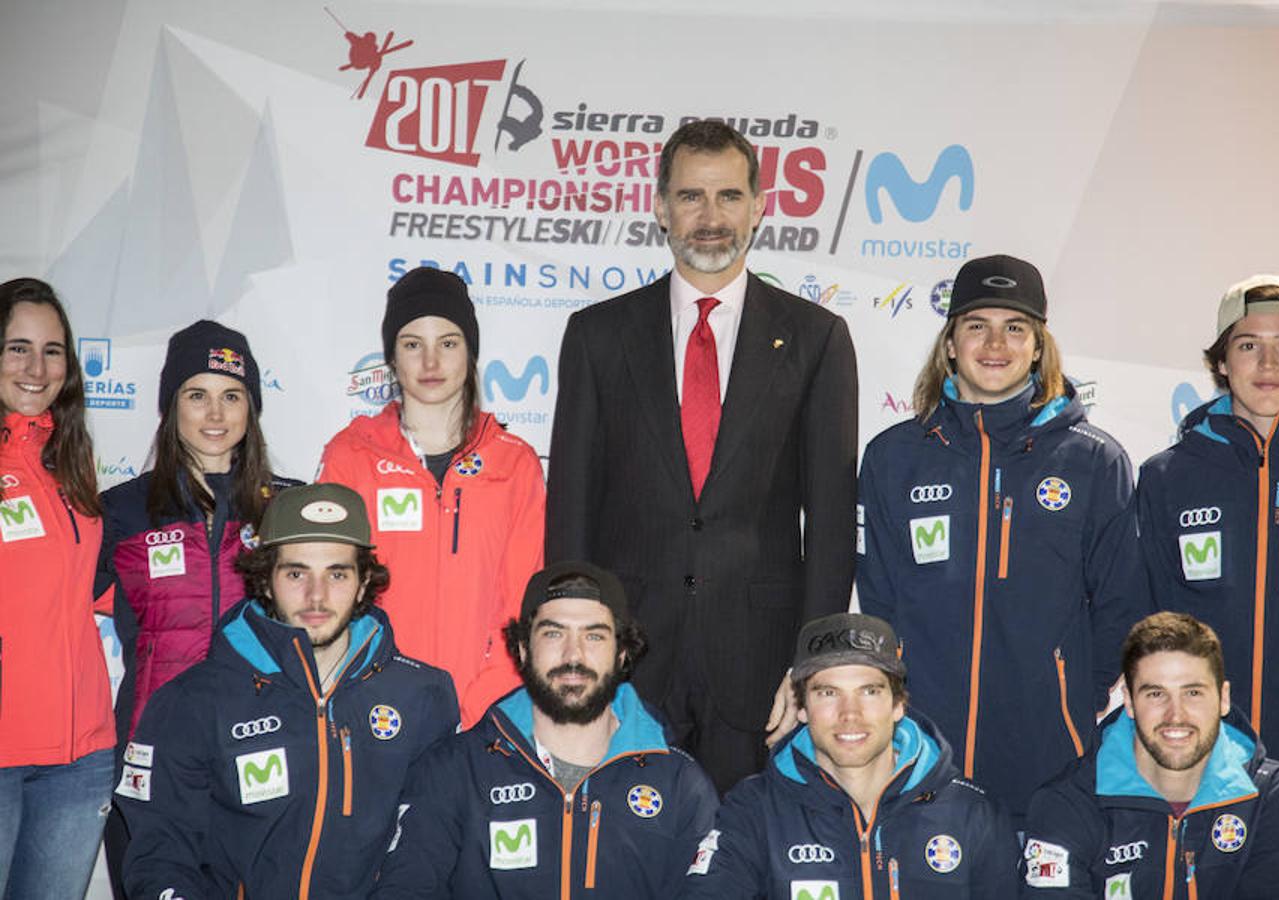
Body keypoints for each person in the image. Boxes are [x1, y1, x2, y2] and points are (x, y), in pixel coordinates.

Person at [546, 119, 858, 792]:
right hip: (628, 662)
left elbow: (832, 525)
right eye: (691, 196)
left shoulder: (816, 338)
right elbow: (569, 511)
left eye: (729, 197)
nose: (710, 217)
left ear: (759, 206)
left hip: (760, 669)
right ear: (660, 207)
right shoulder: (597, 336)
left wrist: (811, 666)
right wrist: (577, 656)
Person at [856, 254, 1148, 825]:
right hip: (923, 747)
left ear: (1039, 346)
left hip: (1047, 751)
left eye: (1015, 328)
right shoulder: (893, 456)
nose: (996, 344)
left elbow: (1120, 602)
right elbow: (880, 599)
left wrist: (1072, 702)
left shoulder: (1093, 459)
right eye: (976, 326)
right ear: (949, 344)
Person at [116, 483, 459, 899]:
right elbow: (162, 855)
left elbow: (425, 848)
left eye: (337, 573)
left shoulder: (423, 695)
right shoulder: (191, 702)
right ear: (265, 579)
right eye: (296, 573)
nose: (317, 596)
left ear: (364, 581)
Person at [1137, 273, 1279, 894]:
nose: (1268, 361)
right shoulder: (1169, 477)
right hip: (1202, 777)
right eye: (1248, 344)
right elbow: (1149, 624)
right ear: (1221, 362)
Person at [372, 561, 719, 898]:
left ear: (623, 654)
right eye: (554, 633)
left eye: (594, 636)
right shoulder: (453, 772)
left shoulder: (681, 786)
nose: (574, 655)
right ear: (523, 649)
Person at [96, 320, 299, 897]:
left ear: (251, 408)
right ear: (170, 407)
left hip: (267, 757)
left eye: (232, 395)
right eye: (197, 394)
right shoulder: (123, 510)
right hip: (151, 757)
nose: (216, 413)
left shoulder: (288, 506)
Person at [319, 266, 544, 727]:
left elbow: (522, 603)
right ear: (392, 357)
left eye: (448, 342)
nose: (430, 363)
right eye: (412, 344)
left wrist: (484, 704)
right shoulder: (350, 456)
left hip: (485, 715)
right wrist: (369, 690)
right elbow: (330, 593)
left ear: (470, 351)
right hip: (370, 711)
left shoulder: (514, 463)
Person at [681, 613, 1019, 899]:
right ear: (800, 708)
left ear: (899, 703)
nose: (850, 714)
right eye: (828, 693)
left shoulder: (973, 815)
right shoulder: (754, 810)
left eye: (869, 692)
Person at [1021, 611, 1279, 897]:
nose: (1176, 715)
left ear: (1223, 698)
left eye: (1193, 693)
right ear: (1129, 702)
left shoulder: (1269, 794)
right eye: (1156, 694)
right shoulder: (1067, 804)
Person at [0, 277, 114, 900]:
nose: (36, 368)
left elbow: (90, 584)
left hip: (81, 750)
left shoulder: (67, 455)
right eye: (17, 347)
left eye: (52, 351)